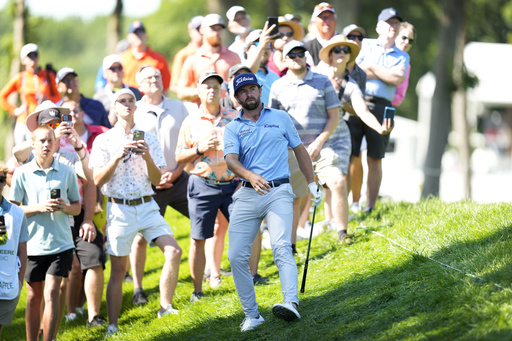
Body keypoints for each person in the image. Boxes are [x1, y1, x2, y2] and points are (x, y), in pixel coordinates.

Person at [224, 72, 322, 331]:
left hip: (279, 190)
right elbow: (231, 160)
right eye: (243, 91)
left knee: (281, 246)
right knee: (235, 256)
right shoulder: (233, 127)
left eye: (252, 89)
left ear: (260, 90)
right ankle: (252, 315)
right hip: (247, 192)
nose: (249, 94)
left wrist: (311, 183)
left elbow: (299, 149)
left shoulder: (280, 118)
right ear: (237, 98)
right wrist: (250, 176)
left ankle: (290, 302)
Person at [89, 89, 182, 336]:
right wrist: (118, 156)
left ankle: (165, 306)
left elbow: (156, 179)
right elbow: (97, 180)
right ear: (114, 109)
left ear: (136, 107)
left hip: (147, 204)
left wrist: (147, 156)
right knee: (119, 270)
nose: (127, 104)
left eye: (131, 101)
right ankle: (113, 325)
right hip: (119, 208)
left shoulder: (148, 139)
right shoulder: (104, 140)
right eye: (122, 101)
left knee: (174, 251)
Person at [269, 40, 349, 244]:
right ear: (285, 60)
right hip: (291, 150)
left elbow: (334, 116)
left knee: (338, 182)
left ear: (306, 56)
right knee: (294, 198)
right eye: (292, 55)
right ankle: (292, 244)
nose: (297, 58)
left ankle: (342, 234)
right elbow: (274, 122)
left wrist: (320, 142)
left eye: (301, 54)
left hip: (321, 147)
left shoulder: (322, 81)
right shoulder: (278, 86)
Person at [10, 124, 81, 341]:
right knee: (33, 296)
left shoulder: (67, 172)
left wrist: (64, 207)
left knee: (52, 292)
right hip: (32, 244)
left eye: (50, 140)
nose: (46, 145)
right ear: (33, 144)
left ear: (56, 143)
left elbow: (77, 207)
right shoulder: (22, 173)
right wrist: (39, 207)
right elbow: (13, 210)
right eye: (42, 141)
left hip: (61, 244)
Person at [316, 35, 394, 231]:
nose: (342, 53)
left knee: (338, 178)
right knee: (319, 182)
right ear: (330, 55)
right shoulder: (318, 76)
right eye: (337, 49)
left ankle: (339, 228)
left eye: (346, 50)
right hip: (315, 132)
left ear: (350, 56)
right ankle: (317, 222)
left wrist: (380, 128)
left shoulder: (351, 85)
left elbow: (363, 111)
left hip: (339, 134)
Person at [129, 66, 189, 306]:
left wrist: (176, 172)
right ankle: (137, 288)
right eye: (148, 78)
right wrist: (154, 176)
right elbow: (134, 151)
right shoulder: (135, 112)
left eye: (157, 76)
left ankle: (209, 274)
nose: (154, 80)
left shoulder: (178, 106)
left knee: (210, 220)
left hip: (179, 177)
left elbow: (187, 140)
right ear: (140, 86)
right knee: (141, 238)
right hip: (148, 184)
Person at [176, 71, 238, 299]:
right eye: (207, 87)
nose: (211, 90)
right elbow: (180, 156)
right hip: (202, 184)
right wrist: (200, 148)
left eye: (215, 86)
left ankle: (251, 277)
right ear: (199, 92)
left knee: (245, 230)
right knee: (199, 238)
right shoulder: (190, 121)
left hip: (233, 184)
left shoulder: (233, 117)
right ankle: (198, 290)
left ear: (221, 91)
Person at [351, 7, 410, 213]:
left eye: (395, 23)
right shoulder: (364, 44)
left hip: (383, 106)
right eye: (388, 22)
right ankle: (355, 202)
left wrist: (373, 68)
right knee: (353, 154)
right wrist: (384, 73)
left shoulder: (402, 56)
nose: (393, 26)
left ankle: (370, 206)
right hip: (356, 101)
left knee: (375, 157)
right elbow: (356, 71)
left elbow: (396, 79)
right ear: (378, 26)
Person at [0, 43, 61, 144]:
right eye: (29, 56)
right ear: (23, 60)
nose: (33, 58)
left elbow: (58, 97)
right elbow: (2, 96)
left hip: (43, 122)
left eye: (35, 55)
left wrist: (47, 99)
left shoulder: (48, 76)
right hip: (24, 121)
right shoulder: (20, 78)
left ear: (38, 57)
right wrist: (15, 111)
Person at [177, 13, 241, 105]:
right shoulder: (192, 60)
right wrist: (205, 90)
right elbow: (181, 93)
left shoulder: (234, 56)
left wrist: (229, 87)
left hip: (230, 112)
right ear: (202, 30)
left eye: (219, 29)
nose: (216, 32)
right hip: (203, 114)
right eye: (213, 29)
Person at [0, 161, 29, 338]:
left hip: (7, 285)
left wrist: (19, 283)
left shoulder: (17, 213)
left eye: (0, 179)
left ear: (4, 182)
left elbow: (22, 251)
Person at [121, 21, 171, 93]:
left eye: (141, 32)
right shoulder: (122, 59)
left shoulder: (159, 59)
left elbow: (165, 88)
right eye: (135, 33)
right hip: (129, 102)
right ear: (128, 37)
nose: (139, 35)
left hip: (151, 102)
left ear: (146, 35)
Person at [93, 54, 142, 125]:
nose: (116, 71)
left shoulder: (135, 92)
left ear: (123, 71)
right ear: (104, 74)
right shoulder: (99, 97)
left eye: (119, 68)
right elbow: (95, 124)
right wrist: (107, 121)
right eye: (112, 69)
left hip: (133, 133)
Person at [169, 16, 204, 95]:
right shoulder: (183, 54)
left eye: (203, 28)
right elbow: (174, 85)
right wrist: (196, 92)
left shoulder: (215, 52)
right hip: (192, 101)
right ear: (190, 32)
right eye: (198, 28)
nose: (201, 31)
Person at [392, 22, 416, 107]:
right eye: (404, 38)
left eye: (410, 41)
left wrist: (384, 96)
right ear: (395, 35)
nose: (406, 42)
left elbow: (399, 97)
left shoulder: (406, 65)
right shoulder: (379, 51)